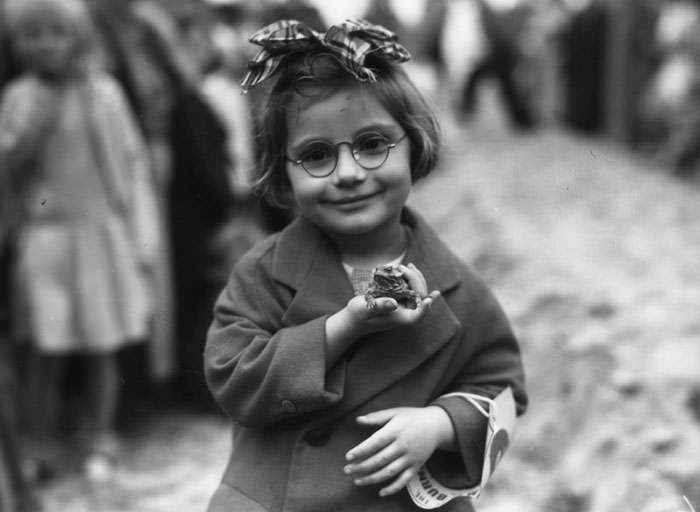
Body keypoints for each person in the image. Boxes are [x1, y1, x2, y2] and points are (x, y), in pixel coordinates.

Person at [204, 19, 527, 512]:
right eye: (316, 155)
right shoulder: (265, 272)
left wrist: (439, 425)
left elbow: (502, 390)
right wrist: (342, 328)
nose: (350, 173)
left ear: (414, 143)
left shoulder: (458, 288)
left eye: (373, 145)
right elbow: (232, 376)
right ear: (284, 175)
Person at [0, 0, 157, 481]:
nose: (45, 43)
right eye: (33, 34)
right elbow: (8, 164)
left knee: (100, 347)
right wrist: (30, 125)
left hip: (99, 235)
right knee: (44, 349)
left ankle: (98, 438)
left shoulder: (102, 92)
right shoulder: (19, 97)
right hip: (46, 239)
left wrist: (140, 235)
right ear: (16, 43)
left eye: (56, 32)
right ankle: (36, 444)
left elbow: (130, 165)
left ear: (76, 37)